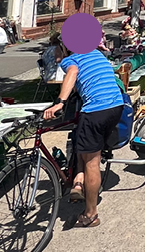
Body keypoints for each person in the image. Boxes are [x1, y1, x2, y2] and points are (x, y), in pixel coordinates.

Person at [43, 38, 124, 228]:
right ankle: (78, 181)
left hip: (96, 109)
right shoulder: (95, 53)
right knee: (84, 142)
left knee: (91, 162)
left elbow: (72, 72)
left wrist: (60, 102)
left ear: (64, 48)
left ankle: (90, 214)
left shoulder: (70, 60)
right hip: (116, 105)